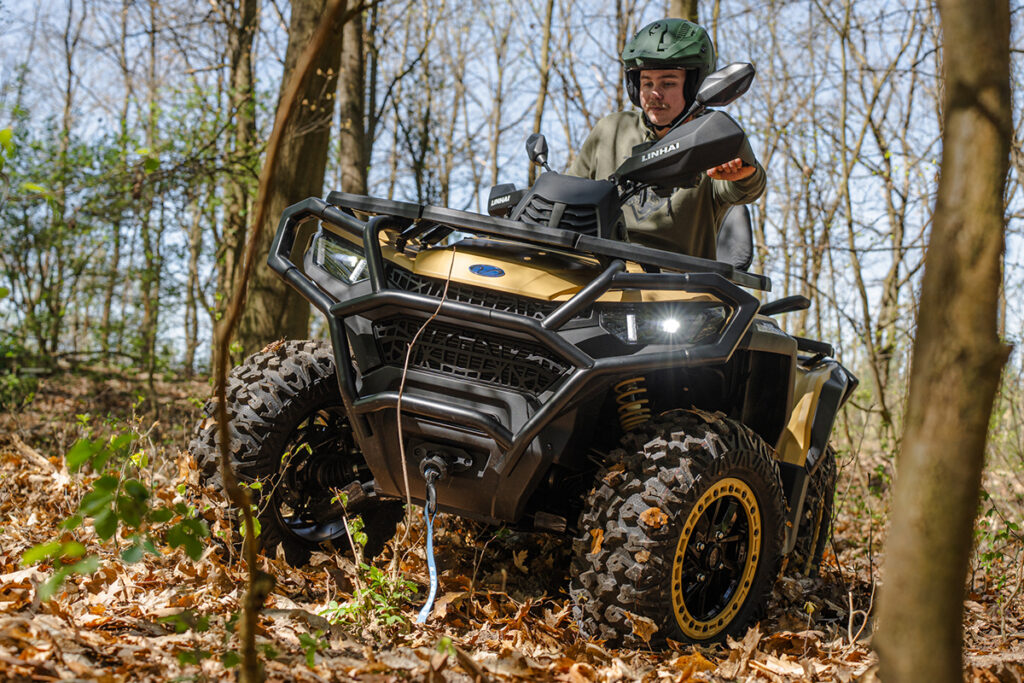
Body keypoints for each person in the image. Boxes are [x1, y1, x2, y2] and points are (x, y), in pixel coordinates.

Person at [566, 18, 765, 260]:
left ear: (695, 87)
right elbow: (568, 196)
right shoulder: (612, 130)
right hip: (598, 270)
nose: (654, 94)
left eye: (668, 83)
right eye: (646, 83)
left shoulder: (711, 138)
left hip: (676, 277)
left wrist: (744, 174)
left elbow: (745, 190)